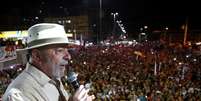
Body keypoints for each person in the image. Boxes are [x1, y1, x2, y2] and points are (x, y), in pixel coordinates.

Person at [2, 23, 95, 101]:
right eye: (60, 50)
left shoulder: (54, 77)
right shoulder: (19, 94)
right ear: (37, 56)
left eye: (67, 50)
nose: (68, 56)